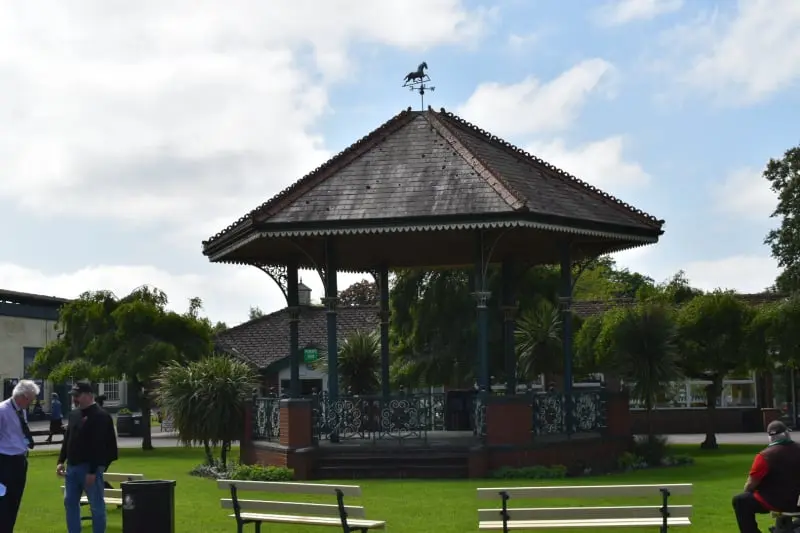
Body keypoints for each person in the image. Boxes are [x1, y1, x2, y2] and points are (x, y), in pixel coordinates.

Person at [57, 381, 119, 533]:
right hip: (72, 468)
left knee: (96, 506)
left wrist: (93, 470)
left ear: (90, 396)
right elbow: (68, 439)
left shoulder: (101, 416)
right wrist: (61, 461)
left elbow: (102, 447)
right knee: (70, 502)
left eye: (78, 396)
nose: (75, 399)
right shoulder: (74, 414)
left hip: (90, 469)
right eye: (73, 396)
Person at [732, 420, 800, 533]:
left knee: (740, 501)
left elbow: (750, 485)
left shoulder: (765, 456)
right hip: (797, 501)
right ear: (787, 433)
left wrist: (748, 492)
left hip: (775, 501)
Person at [0, 379, 40, 533]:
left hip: (19, 460)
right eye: (30, 399)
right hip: (5, 461)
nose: (30, 403)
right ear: (22, 396)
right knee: (4, 501)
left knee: (15, 500)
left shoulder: (21, 410)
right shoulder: (3, 410)